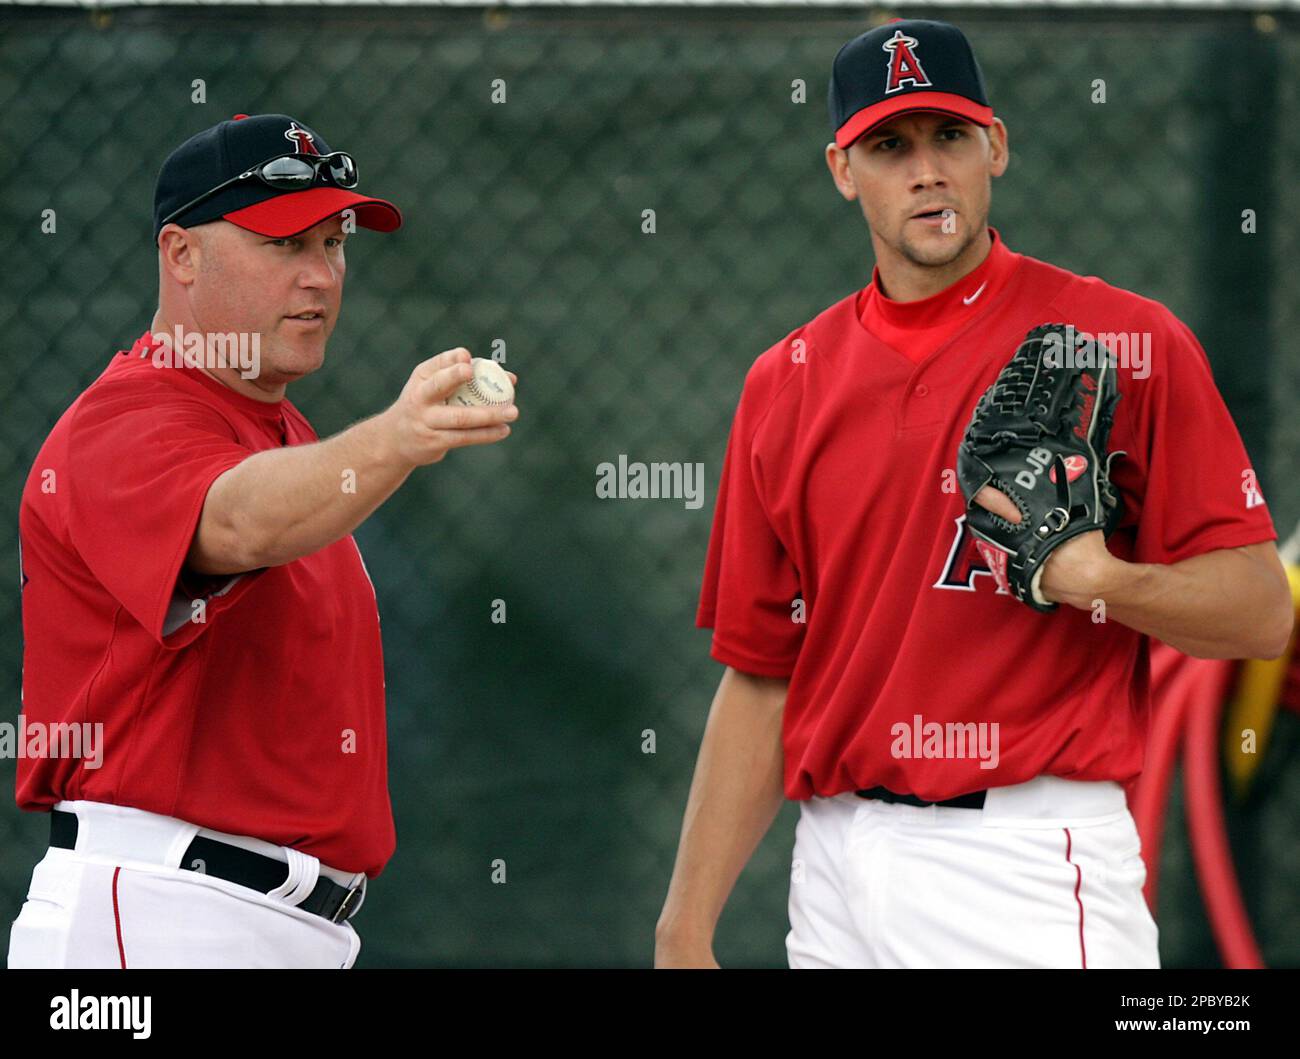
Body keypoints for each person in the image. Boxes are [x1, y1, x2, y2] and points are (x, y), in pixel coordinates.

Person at [655, 20, 1292, 969]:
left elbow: (1260, 611)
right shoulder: (785, 380)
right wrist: (684, 926)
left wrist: (1098, 578)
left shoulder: (1117, 340)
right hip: (832, 864)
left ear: (994, 145)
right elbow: (762, 671)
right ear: (842, 169)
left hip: (1027, 861)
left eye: (948, 137)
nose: (926, 171)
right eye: (889, 145)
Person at [8, 113, 518, 969]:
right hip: (160, 908)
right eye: (285, 243)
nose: (322, 275)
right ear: (181, 256)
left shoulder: (281, 433)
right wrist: (395, 437)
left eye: (334, 241)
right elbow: (236, 521)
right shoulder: (127, 418)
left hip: (276, 924)